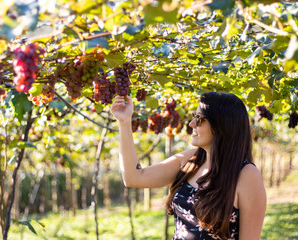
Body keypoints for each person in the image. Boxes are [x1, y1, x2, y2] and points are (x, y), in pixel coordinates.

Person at [110, 92, 266, 240]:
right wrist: (124, 122)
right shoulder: (190, 160)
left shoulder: (246, 174)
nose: (191, 124)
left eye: (199, 118)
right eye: (193, 117)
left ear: (221, 125)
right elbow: (133, 177)